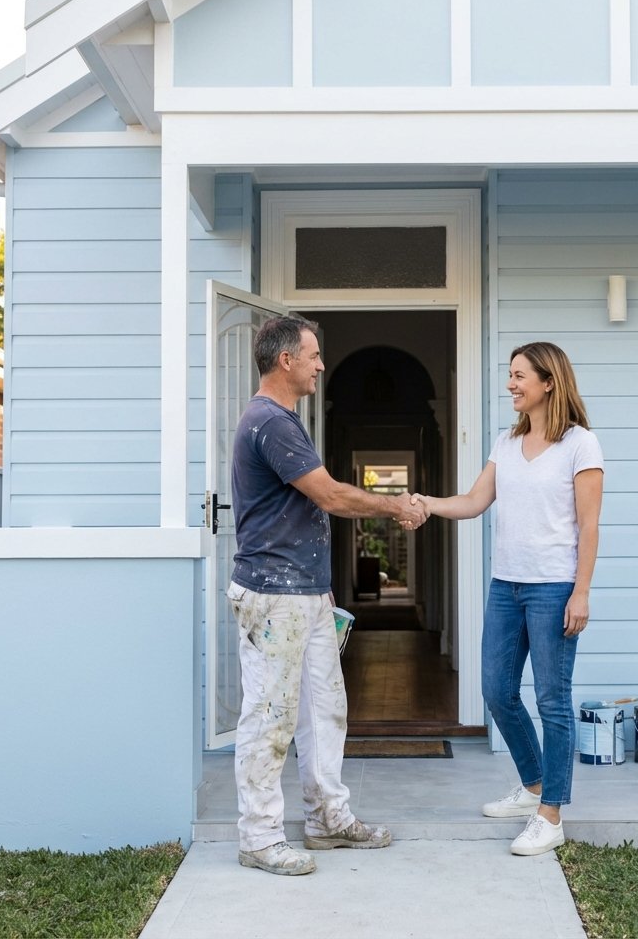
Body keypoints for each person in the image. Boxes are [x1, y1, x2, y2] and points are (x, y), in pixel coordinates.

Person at [228, 314, 427, 876]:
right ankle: (260, 837)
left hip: (305, 593)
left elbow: (305, 510)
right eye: (314, 355)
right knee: (270, 715)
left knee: (323, 711)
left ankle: (327, 818)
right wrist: (396, 505)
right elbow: (332, 496)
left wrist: (323, 589)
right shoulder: (270, 422)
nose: (321, 365)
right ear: (285, 359)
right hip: (274, 594)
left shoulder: (285, 420)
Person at [412, 341, 602, 856]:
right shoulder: (505, 442)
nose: (511, 384)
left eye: (520, 376)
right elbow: (475, 502)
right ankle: (534, 785)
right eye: (510, 375)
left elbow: (589, 526)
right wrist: (426, 502)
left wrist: (581, 591)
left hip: (554, 588)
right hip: (506, 587)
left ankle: (551, 814)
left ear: (548, 382)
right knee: (496, 690)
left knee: (552, 701)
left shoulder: (580, 445)